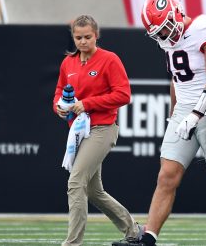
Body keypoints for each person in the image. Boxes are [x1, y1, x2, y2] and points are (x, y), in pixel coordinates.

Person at [115, 0, 206, 246]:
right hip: (184, 111)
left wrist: (196, 115)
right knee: (167, 175)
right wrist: (175, 112)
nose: (164, 36)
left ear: (176, 12)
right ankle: (148, 237)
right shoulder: (168, 43)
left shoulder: (204, 27)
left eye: (165, 29)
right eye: (159, 33)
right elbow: (177, 79)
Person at [54, 15, 141, 246]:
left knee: (75, 181)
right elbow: (60, 91)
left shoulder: (109, 60)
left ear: (96, 35)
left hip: (102, 128)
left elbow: (123, 95)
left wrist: (88, 103)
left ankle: (72, 243)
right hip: (78, 131)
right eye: (78, 37)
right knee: (94, 191)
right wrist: (59, 107)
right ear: (73, 37)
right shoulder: (68, 63)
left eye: (87, 37)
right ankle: (134, 231)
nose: (83, 42)